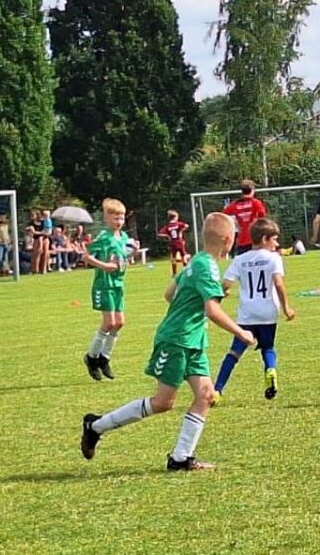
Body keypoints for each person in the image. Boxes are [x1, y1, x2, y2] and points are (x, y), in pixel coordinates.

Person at [80, 213, 256, 471]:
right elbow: (212, 310)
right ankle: (95, 426)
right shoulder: (207, 266)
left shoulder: (197, 261)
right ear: (228, 240)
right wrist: (241, 333)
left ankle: (181, 457)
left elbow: (169, 293)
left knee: (206, 395)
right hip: (176, 340)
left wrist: (191, 304)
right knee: (163, 402)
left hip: (193, 340)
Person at [212, 218, 296, 403]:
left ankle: (217, 390)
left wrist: (223, 293)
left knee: (234, 353)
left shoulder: (240, 260)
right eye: (274, 239)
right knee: (267, 347)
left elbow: (226, 284)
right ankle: (271, 370)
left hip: (247, 314)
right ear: (265, 239)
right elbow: (278, 283)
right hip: (268, 313)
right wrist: (286, 308)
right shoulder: (274, 258)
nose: (277, 244)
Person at [82, 199, 130, 381]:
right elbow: (86, 256)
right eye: (115, 218)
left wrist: (131, 255)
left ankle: (104, 358)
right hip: (104, 284)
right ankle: (92, 358)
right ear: (107, 219)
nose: (119, 221)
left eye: (122, 218)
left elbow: (121, 257)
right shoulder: (104, 237)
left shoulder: (123, 237)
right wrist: (104, 265)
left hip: (118, 284)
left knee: (119, 323)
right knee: (109, 322)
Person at [223, 180, 267, 256]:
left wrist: (235, 224)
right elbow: (262, 215)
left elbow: (223, 215)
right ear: (252, 190)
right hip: (254, 238)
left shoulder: (234, 205)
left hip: (241, 240)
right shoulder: (256, 203)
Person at [158, 209, 191, 276]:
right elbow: (186, 226)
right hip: (179, 241)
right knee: (183, 256)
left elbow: (160, 233)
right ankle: (186, 271)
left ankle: (174, 273)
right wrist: (181, 231)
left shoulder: (168, 226)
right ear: (175, 217)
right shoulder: (178, 224)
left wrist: (168, 236)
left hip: (172, 243)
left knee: (173, 257)